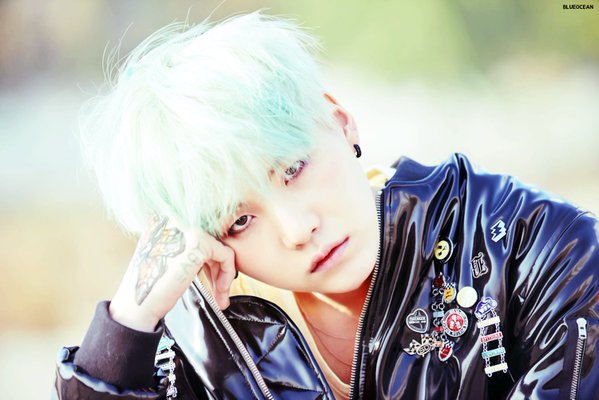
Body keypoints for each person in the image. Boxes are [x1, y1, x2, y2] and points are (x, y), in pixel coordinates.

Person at [54, 11, 598, 400]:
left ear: (340, 120)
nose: (297, 229)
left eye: (293, 168)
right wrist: (127, 324)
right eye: (240, 220)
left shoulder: (536, 249)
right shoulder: (200, 338)